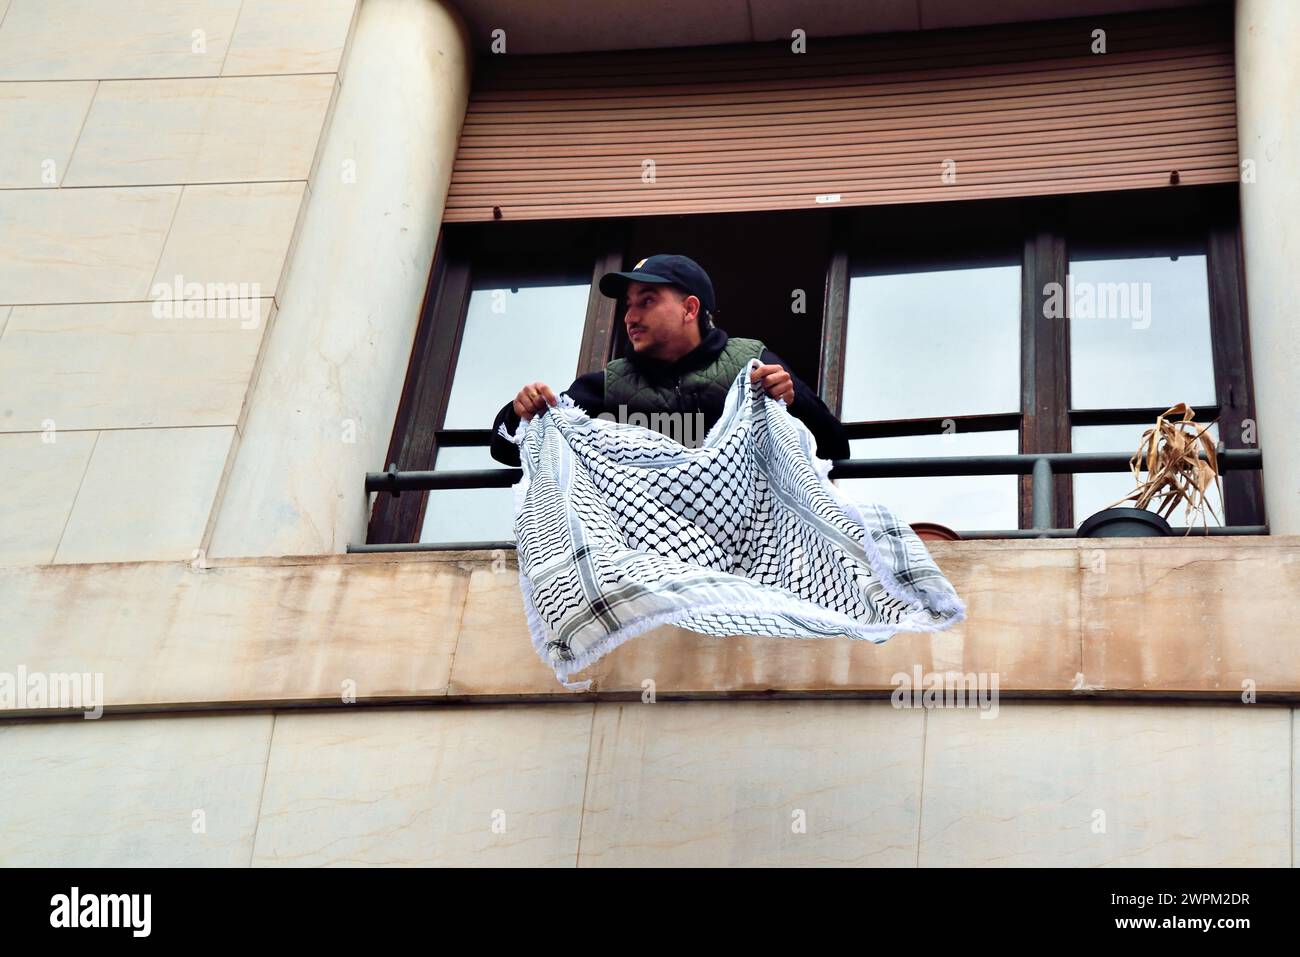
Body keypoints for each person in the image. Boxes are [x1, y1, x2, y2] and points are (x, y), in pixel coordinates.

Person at [489, 253, 851, 467]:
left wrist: (792, 400)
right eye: (628, 305)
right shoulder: (608, 385)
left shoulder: (751, 363)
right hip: (646, 565)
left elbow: (835, 448)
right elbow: (507, 451)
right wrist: (519, 412)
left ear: (689, 308)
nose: (629, 317)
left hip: (750, 557)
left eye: (646, 301)